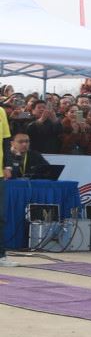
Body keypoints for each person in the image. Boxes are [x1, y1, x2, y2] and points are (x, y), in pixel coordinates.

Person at [0, 99, 11, 267]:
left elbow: (6, 141)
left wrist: (7, 165)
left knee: (0, 216)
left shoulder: (1, 112)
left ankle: (1, 255)